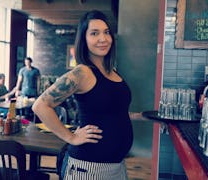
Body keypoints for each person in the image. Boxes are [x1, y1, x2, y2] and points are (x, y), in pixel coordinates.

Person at [32, 10, 133, 180]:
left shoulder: (112, 72)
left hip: (117, 166)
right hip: (88, 167)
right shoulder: (82, 72)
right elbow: (40, 106)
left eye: (106, 32)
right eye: (94, 33)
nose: (103, 38)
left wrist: (144, 117)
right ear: (84, 39)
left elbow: (113, 111)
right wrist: (70, 137)